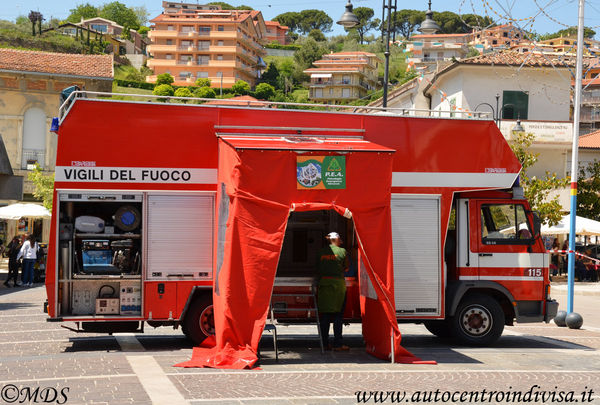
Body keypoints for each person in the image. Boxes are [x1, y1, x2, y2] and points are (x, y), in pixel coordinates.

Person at [317, 232, 349, 351]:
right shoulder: (342, 252)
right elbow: (346, 267)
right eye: (340, 238)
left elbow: (317, 268)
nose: (341, 240)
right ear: (336, 239)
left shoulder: (320, 252)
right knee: (338, 316)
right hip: (338, 287)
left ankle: (324, 344)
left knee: (324, 317)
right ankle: (338, 344)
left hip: (324, 286)